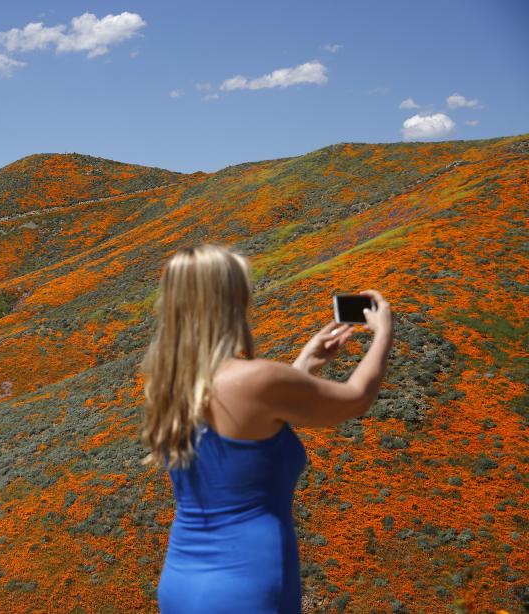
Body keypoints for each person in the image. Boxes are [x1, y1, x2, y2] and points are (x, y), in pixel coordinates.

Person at [138, 243, 392, 614]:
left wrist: (303, 363)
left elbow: (246, 424)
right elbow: (355, 398)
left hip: (181, 583)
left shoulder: (172, 386)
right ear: (231, 301)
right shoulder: (256, 380)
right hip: (246, 587)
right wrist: (383, 332)